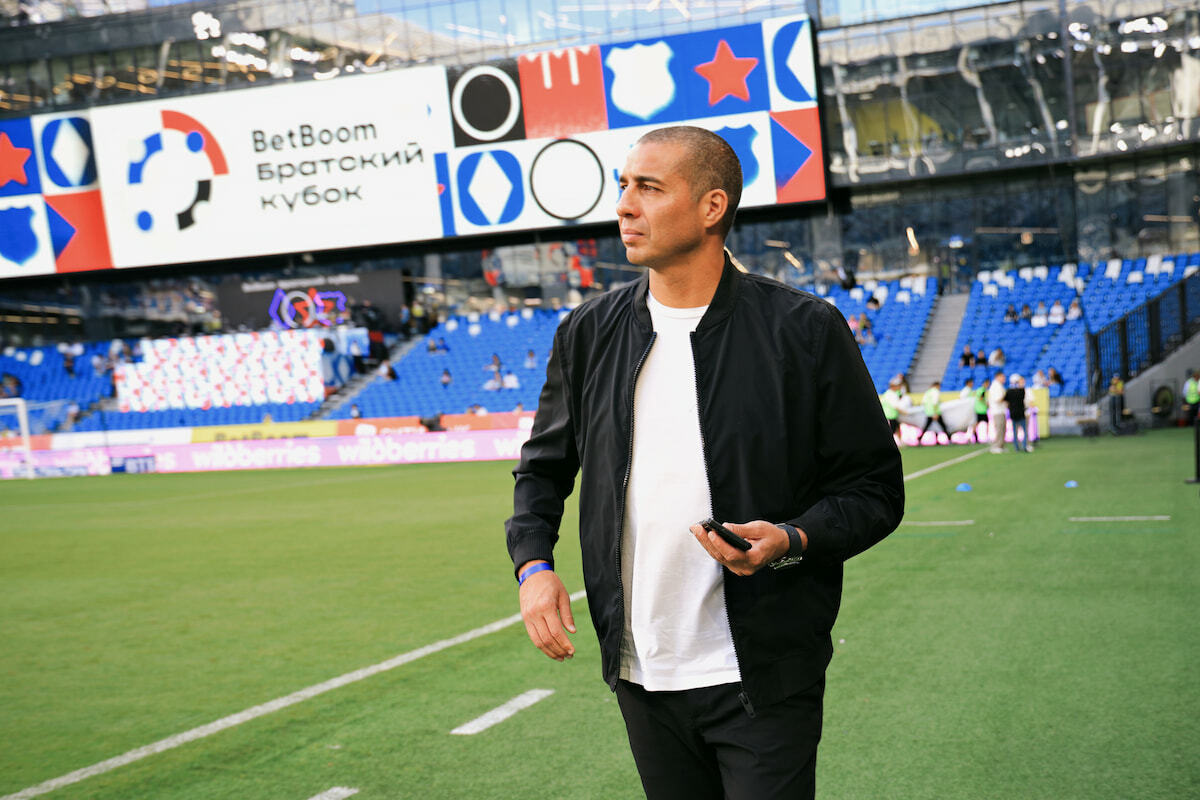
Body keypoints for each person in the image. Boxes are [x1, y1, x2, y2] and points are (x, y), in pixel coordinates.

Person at [506, 125, 904, 800]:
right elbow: (542, 470)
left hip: (764, 677)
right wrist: (534, 566)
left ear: (712, 207)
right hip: (641, 673)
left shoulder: (804, 330)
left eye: (649, 188)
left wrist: (792, 539)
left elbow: (873, 491)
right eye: (623, 187)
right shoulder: (587, 333)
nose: (625, 205)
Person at [1004, 375, 1031, 452]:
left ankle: (1016, 447)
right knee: (1024, 430)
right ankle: (1025, 445)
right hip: (1021, 412)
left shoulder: (1009, 391)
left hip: (1013, 413)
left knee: (1015, 431)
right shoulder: (1022, 391)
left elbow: (1006, 400)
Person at [987, 371, 1008, 453]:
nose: (1004, 379)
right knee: (999, 428)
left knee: (1003, 428)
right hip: (997, 410)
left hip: (1001, 410)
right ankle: (996, 446)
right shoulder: (995, 386)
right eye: (1002, 377)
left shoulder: (1000, 386)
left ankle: (1001, 445)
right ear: (998, 377)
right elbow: (998, 399)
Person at [882, 375, 904, 447]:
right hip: (890, 416)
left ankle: (900, 442)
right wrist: (904, 412)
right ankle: (888, 444)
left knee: (897, 428)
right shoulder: (891, 395)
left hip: (891, 415)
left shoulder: (890, 393)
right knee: (892, 431)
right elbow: (895, 406)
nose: (899, 387)